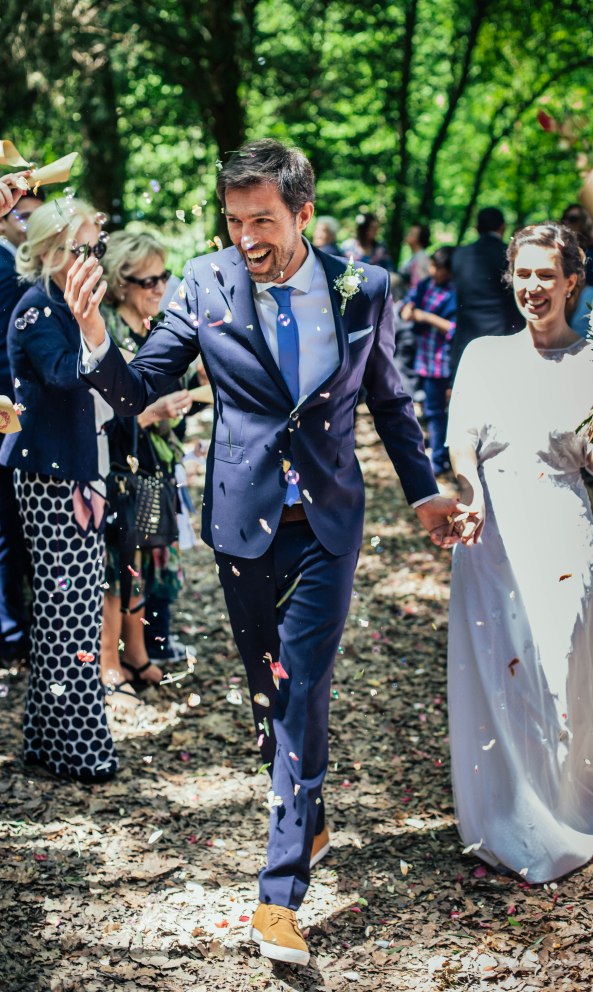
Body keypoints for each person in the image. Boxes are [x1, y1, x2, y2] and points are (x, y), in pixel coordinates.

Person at [64, 139, 458, 966]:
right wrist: (96, 332)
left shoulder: (363, 287)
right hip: (243, 521)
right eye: (234, 220)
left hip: (326, 523)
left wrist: (424, 492)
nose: (246, 237)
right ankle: (305, 815)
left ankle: (278, 897)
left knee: (301, 689)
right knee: (266, 696)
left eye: (263, 220)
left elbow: (389, 402)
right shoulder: (205, 281)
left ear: (302, 214)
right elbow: (140, 389)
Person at [446, 222, 593, 883]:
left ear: (571, 283)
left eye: (545, 276)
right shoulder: (483, 355)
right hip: (492, 535)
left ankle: (560, 807)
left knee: (558, 668)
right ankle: (511, 809)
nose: (532, 287)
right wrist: (469, 495)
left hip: (560, 528)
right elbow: (461, 440)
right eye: (523, 274)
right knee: (502, 672)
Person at [0, 196, 118, 783]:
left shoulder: (65, 305)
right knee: (65, 611)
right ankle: (78, 748)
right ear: (48, 250)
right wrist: (94, 328)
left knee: (71, 609)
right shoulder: (37, 309)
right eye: (82, 247)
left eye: (98, 246)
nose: (93, 257)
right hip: (50, 475)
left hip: (75, 469)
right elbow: (64, 375)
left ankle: (49, 743)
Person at [99, 231, 193, 705]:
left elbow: (186, 396)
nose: (160, 288)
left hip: (157, 465)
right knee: (115, 567)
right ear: (120, 282)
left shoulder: (159, 329)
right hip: (114, 465)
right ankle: (108, 661)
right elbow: (98, 412)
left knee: (141, 564)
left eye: (164, 277)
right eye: (148, 280)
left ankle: (136, 653)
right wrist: (149, 413)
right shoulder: (105, 330)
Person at [0, 174, 44, 663]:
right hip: (7, 411)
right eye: (20, 215)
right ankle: (11, 633)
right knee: (8, 530)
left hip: (19, 411)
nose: (28, 224)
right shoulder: (3, 264)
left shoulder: (19, 264)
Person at [400, 247, 457, 475]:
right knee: (427, 409)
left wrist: (426, 317)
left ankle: (440, 458)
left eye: (439, 268)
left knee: (438, 412)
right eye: (433, 266)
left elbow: (453, 328)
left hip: (442, 361)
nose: (434, 271)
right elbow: (407, 305)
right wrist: (408, 310)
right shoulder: (425, 285)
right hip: (422, 358)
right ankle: (435, 452)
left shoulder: (455, 292)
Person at [449, 206, 521, 373]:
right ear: (503, 227)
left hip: (465, 341)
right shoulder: (509, 255)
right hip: (501, 340)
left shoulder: (459, 254)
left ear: (476, 228)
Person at [560, 204, 593, 338]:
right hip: (581, 309)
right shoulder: (564, 251)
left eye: (573, 219)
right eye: (564, 218)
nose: (567, 222)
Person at [399, 224, 431, 289]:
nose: (408, 235)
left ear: (419, 239)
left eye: (411, 234)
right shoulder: (414, 256)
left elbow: (420, 282)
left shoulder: (421, 258)